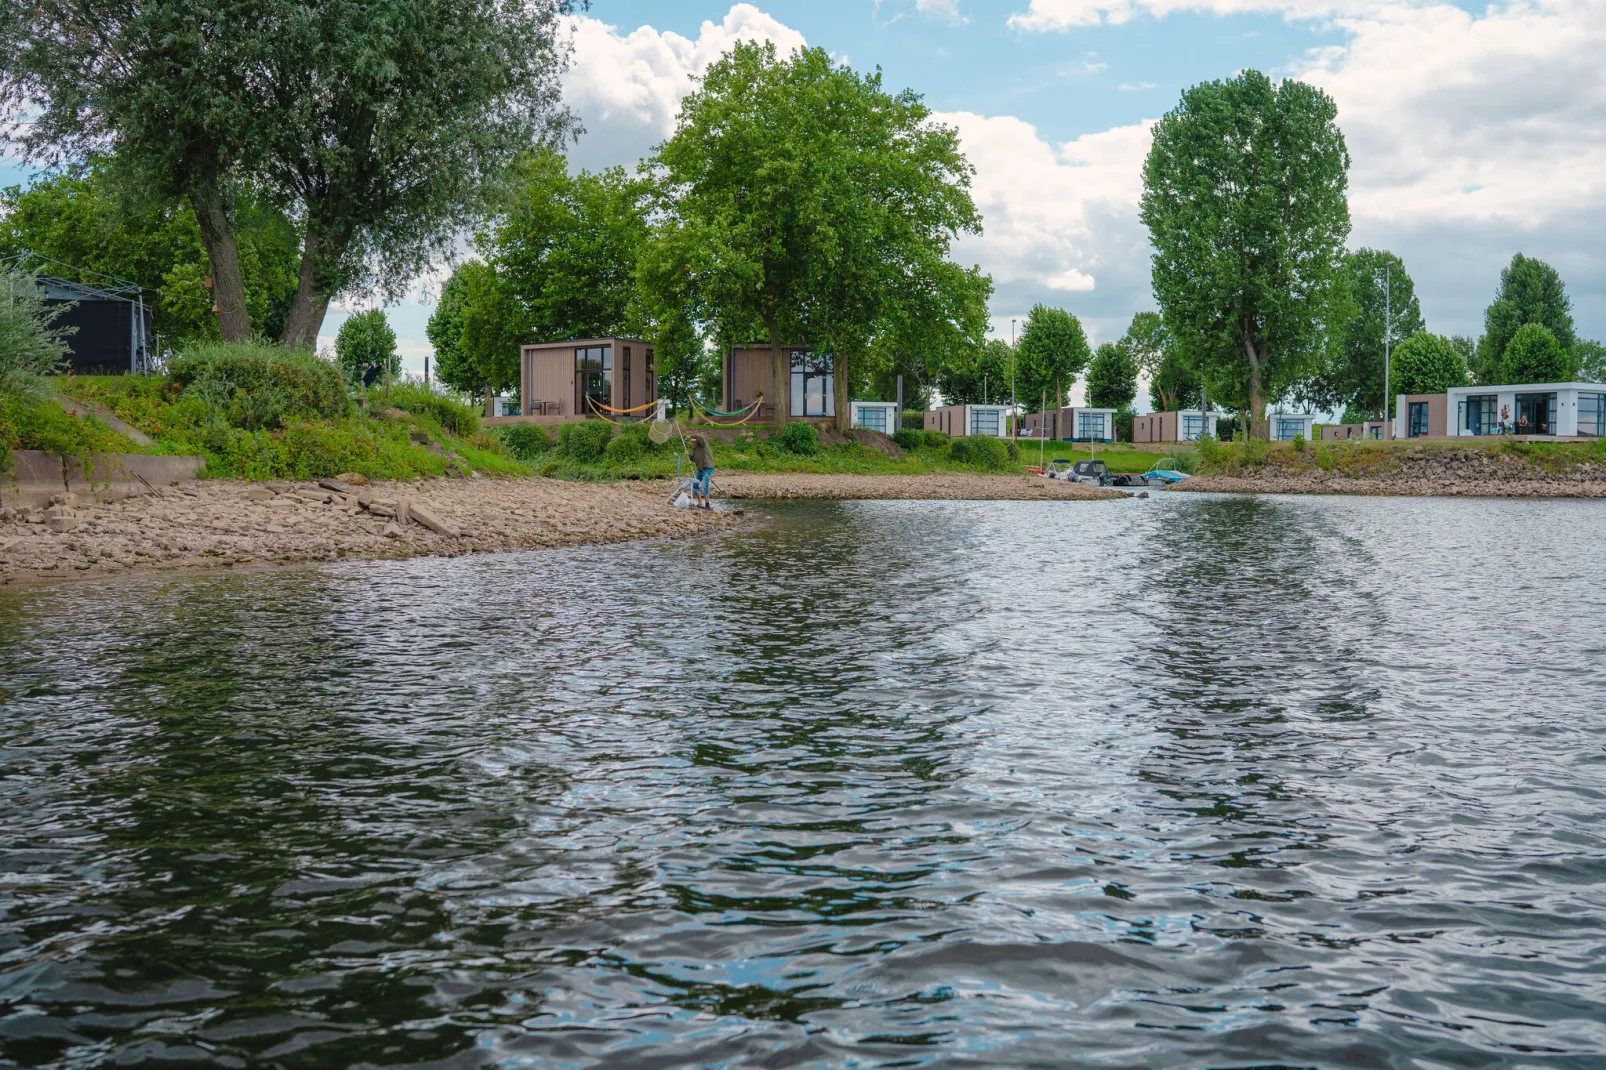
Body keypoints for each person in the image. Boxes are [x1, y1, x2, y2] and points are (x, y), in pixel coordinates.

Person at [687, 433, 714, 509]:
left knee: (704, 485)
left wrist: (690, 436)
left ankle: (707, 505)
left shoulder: (703, 445)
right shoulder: (695, 449)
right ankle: (700, 503)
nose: (692, 443)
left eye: (693, 441)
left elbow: (700, 438)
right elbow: (694, 459)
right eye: (691, 441)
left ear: (697, 442)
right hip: (700, 469)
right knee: (694, 485)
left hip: (707, 468)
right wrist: (688, 455)